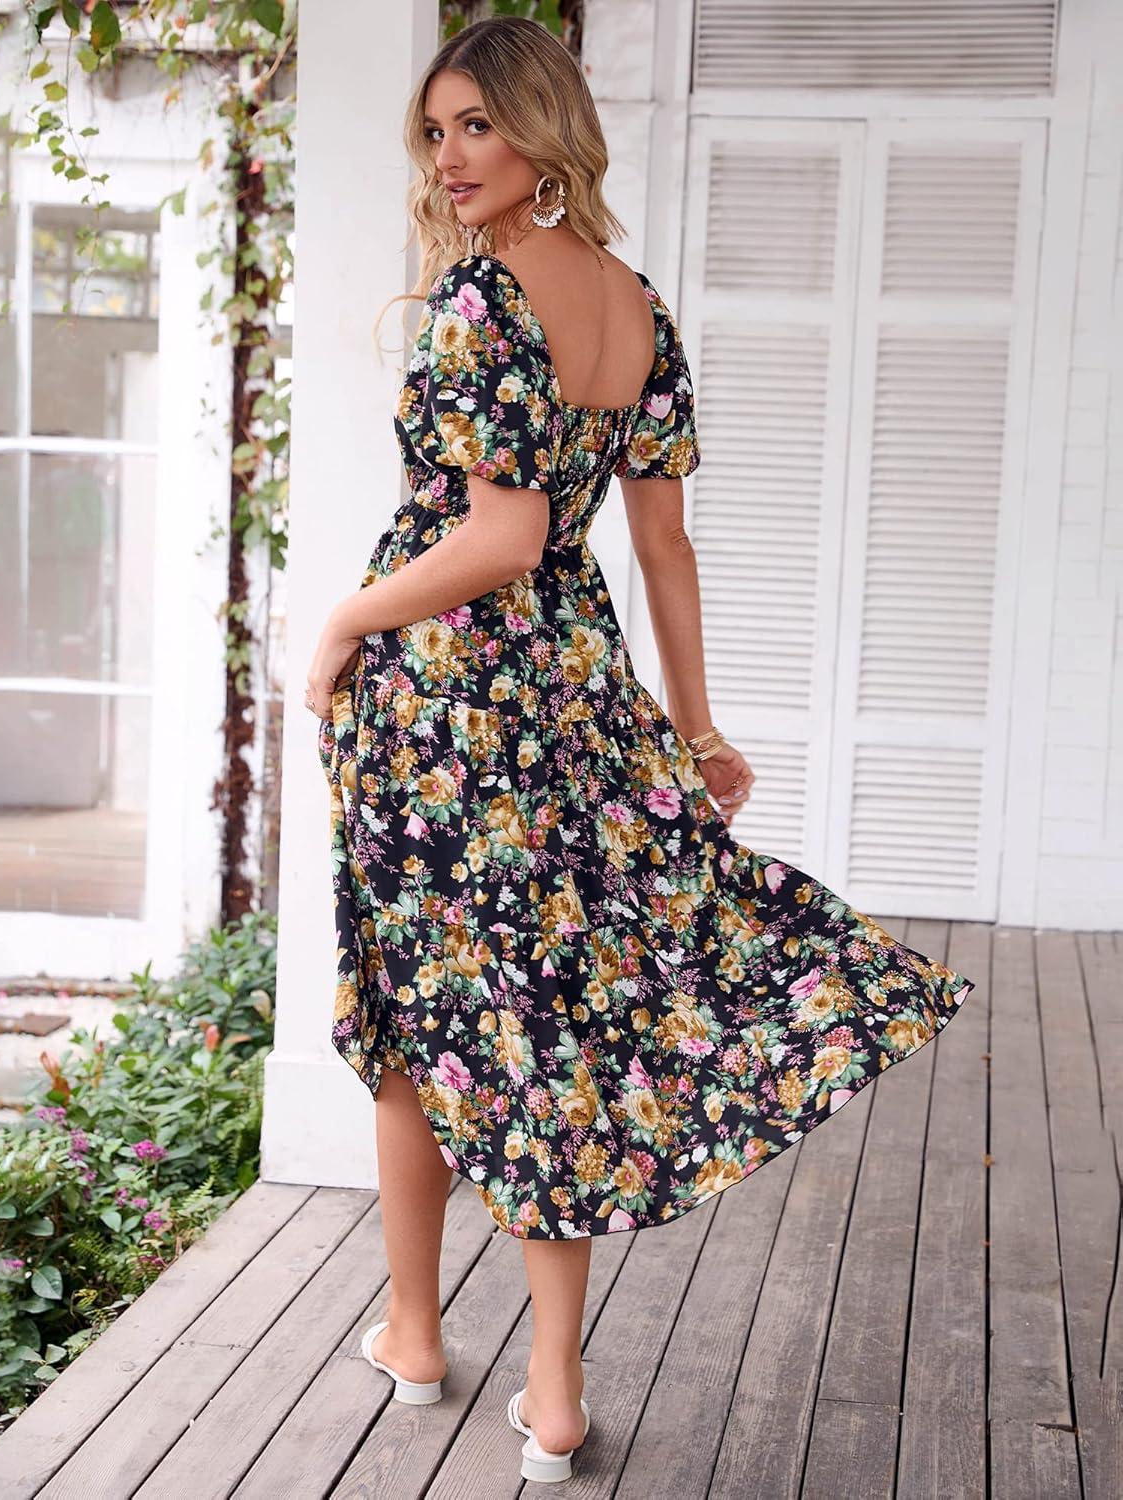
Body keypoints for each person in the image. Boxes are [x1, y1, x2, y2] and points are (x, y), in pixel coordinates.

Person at [306, 15, 976, 1485]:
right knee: (547, 1014)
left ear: (543, 127)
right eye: (437, 131)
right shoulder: (636, 305)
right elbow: (661, 544)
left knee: (426, 1013)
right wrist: (694, 723)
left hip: (444, 704)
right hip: (574, 684)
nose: (451, 156)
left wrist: (344, 619)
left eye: (479, 124)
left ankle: (416, 1332)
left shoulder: (481, 299)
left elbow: (503, 534)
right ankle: (548, 1388)